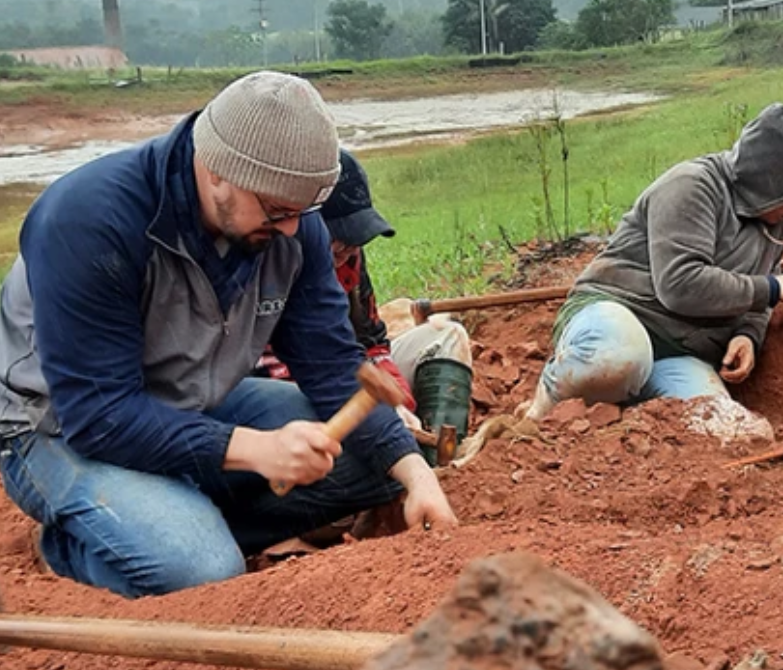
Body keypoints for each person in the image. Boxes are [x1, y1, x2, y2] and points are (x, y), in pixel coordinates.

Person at [0, 71, 457, 599]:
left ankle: (169, 516)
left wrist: (415, 474)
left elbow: (332, 364)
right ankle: (84, 545)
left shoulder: (292, 225)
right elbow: (98, 416)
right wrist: (254, 450)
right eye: (277, 210)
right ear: (217, 172)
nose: (291, 229)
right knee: (202, 571)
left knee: (377, 464)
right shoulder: (89, 221)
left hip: (190, 400)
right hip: (58, 426)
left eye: (301, 211)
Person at [523, 102, 783, 421]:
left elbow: (761, 294)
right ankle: (538, 412)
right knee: (615, 360)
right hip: (620, 314)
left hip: (681, 351)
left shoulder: (774, 222)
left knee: (732, 431)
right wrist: (772, 288)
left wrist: (747, 335)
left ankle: (620, 412)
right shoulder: (692, 186)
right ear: (770, 180)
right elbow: (680, 284)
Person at [255, 149, 474, 465]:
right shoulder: (269, 268)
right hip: (300, 400)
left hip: (351, 381)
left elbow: (372, 343)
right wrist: (373, 409)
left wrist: (397, 403)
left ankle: (437, 463)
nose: (348, 251)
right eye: (337, 240)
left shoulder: (350, 263)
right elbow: (273, 372)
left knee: (447, 336)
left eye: (355, 240)